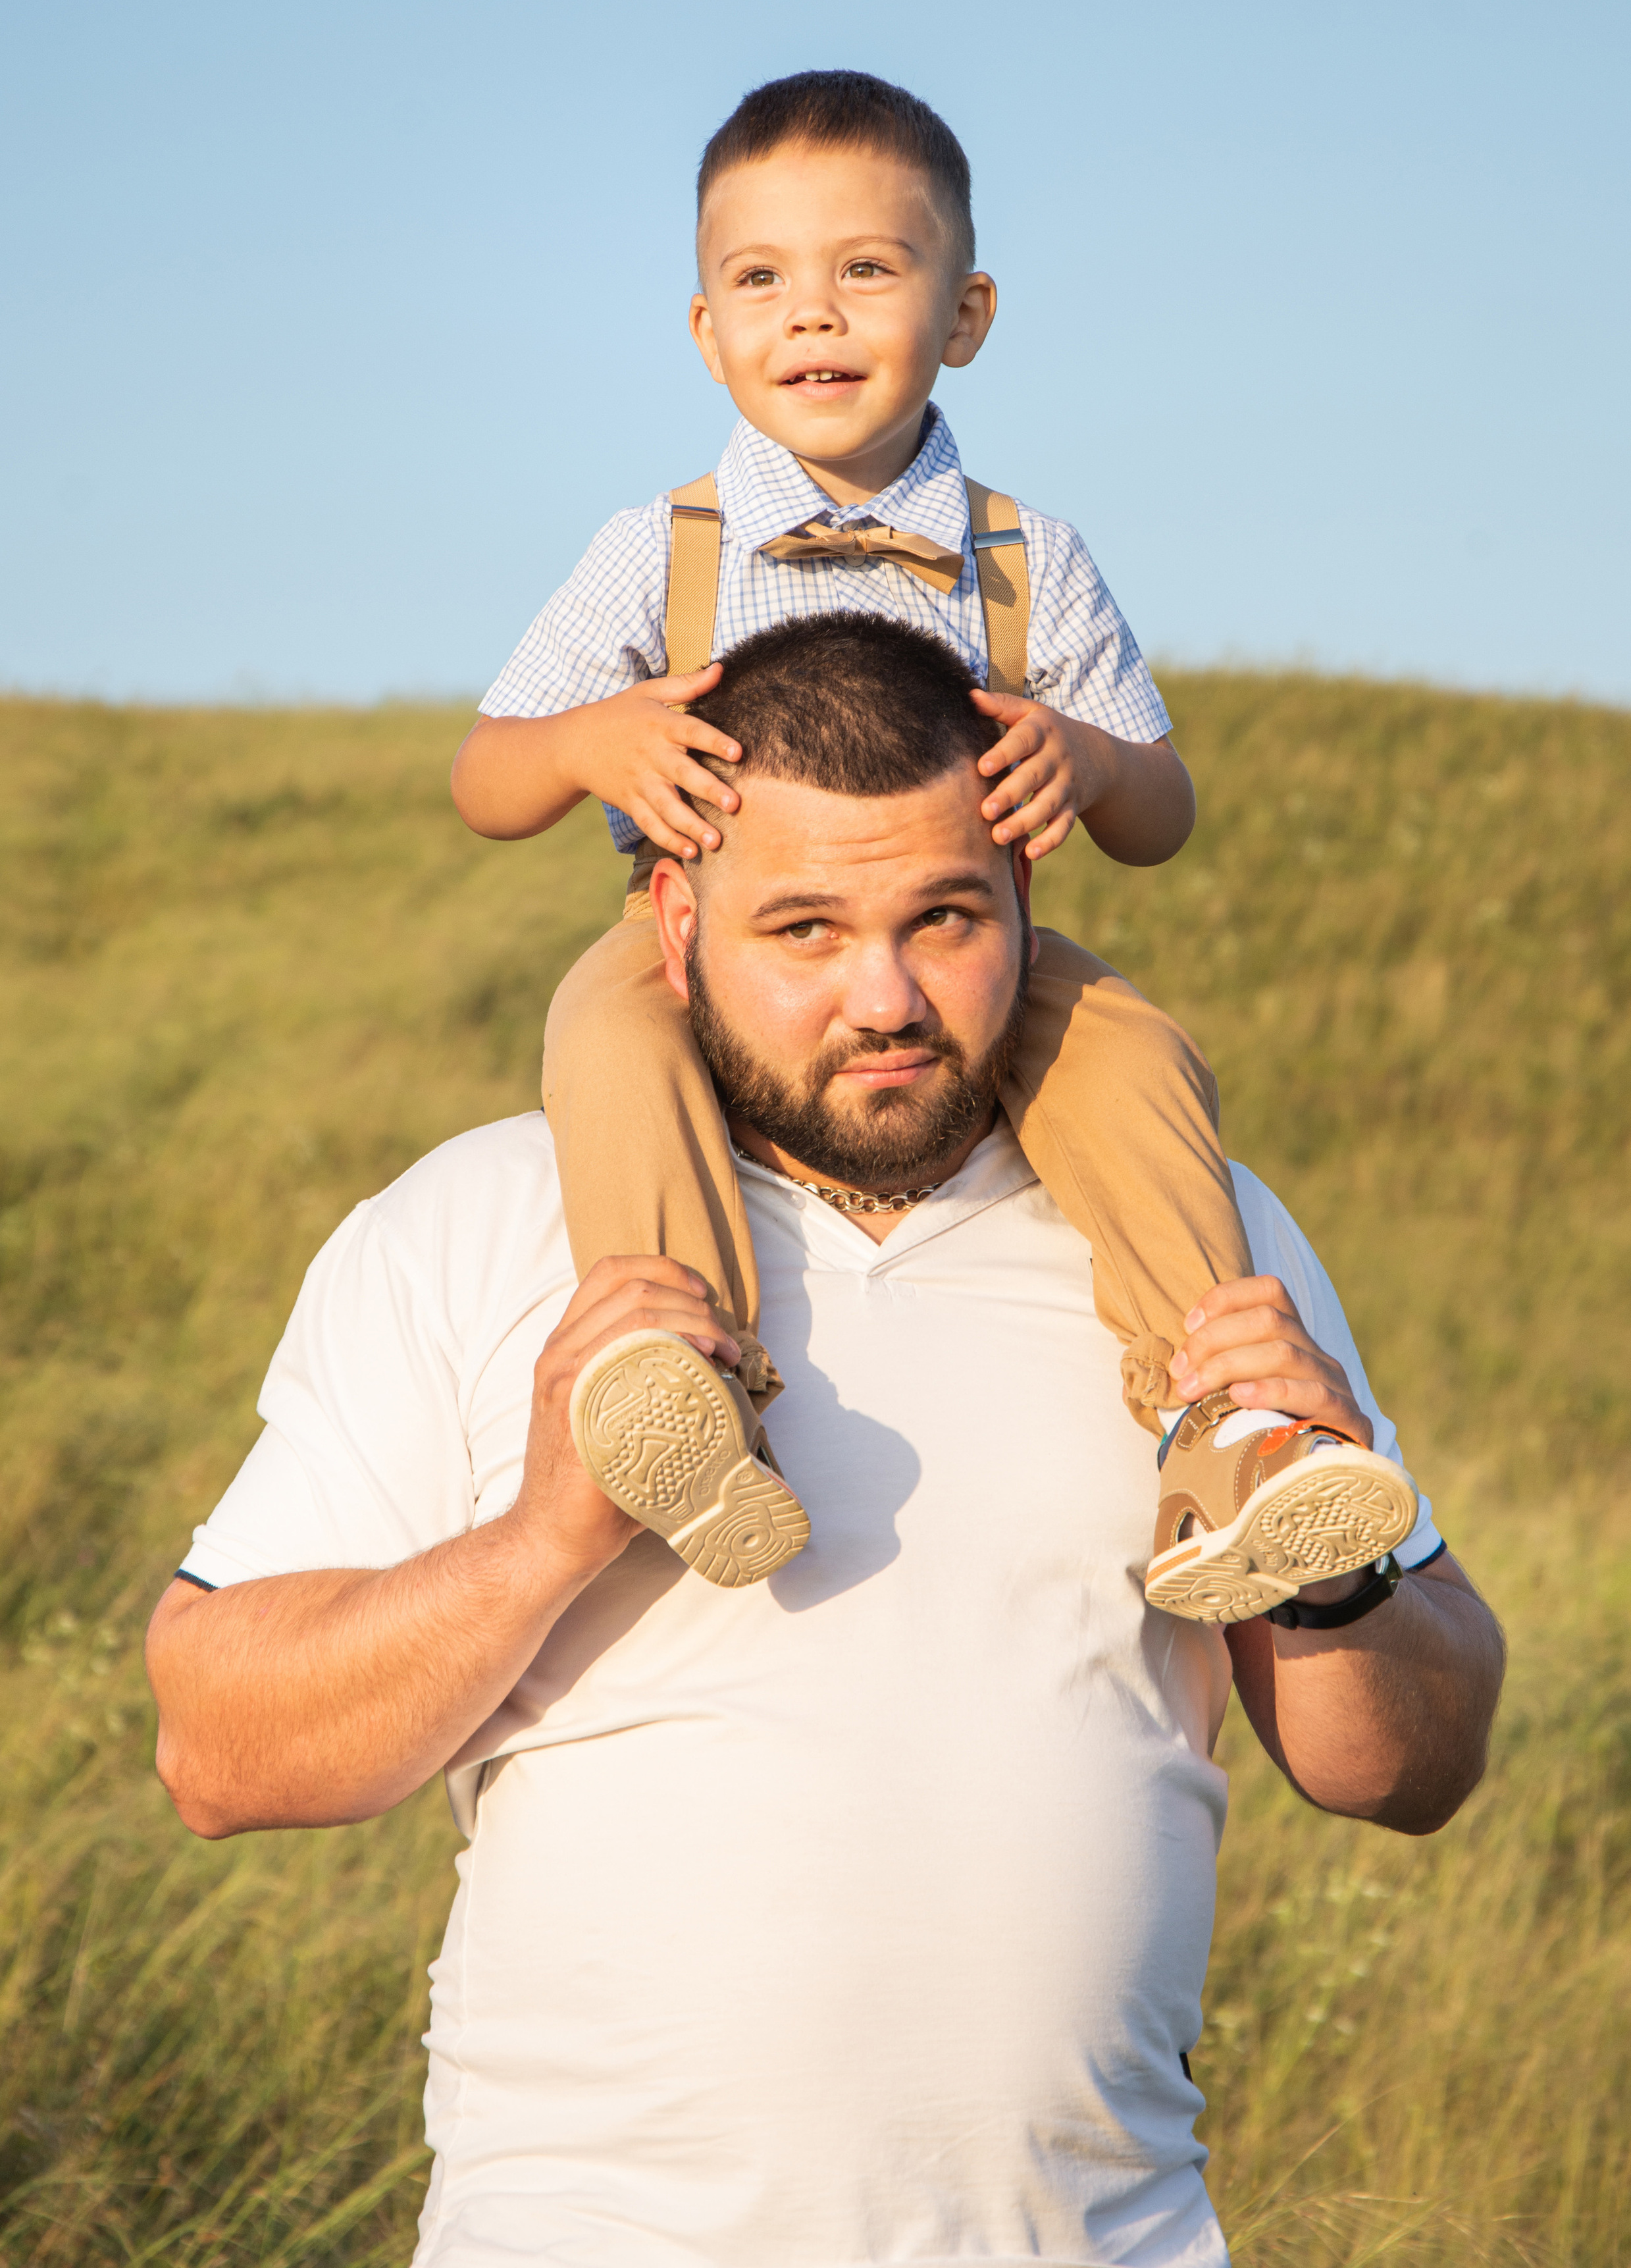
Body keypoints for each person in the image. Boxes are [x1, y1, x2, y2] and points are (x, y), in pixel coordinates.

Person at [147, 614, 1505, 2268]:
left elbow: (1408, 1771)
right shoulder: (481, 1221)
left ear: (1026, 904)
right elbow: (217, 1754)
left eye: (943, 919)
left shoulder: (1203, 1247)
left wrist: (1341, 1580)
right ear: (672, 919)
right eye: (802, 929)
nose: (885, 998)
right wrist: (549, 1537)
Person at [447, 65, 1337, 1611]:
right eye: (760, 280)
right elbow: (487, 774)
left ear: (966, 311)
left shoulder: (1024, 556)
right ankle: (685, 1383)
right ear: (703, 331)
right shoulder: (656, 550)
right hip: (701, 956)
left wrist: (1087, 758)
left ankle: (1224, 1426)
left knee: (1129, 1051)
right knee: (601, 1035)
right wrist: (600, 738)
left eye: (867, 270)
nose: (813, 315)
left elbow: (1165, 811)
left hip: (971, 947)